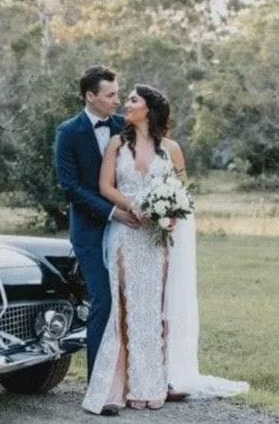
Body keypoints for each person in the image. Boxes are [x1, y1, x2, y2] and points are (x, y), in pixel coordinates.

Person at [82, 84, 249, 415]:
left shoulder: (171, 149)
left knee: (152, 310)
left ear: (149, 109)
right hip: (125, 233)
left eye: (133, 100)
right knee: (124, 308)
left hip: (155, 240)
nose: (126, 104)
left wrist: (169, 215)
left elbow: (182, 193)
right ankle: (117, 388)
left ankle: (149, 386)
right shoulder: (117, 143)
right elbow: (104, 187)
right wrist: (135, 205)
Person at [54, 66, 140, 416]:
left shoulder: (123, 127)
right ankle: (98, 387)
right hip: (90, 232)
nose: (117, 101)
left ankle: (133, 381)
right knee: (103, 301)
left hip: (127, 230)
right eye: (110, 95)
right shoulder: (68, 132)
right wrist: (110, 213)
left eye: (118, 95)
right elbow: (70, 187)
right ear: (90, 96)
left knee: (130, 302)